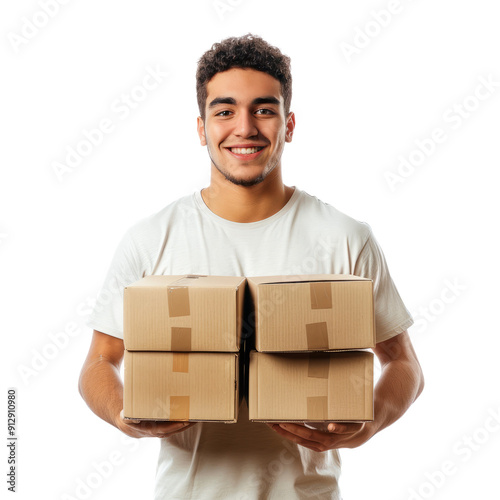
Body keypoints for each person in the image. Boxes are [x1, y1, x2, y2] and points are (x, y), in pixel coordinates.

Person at [78, 33, 424, 500]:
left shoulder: (344, 237)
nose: (245, 127)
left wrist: (365, 427)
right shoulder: (151, 239)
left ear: (290, 123)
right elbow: (99, 363)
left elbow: (404, 364)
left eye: (263, 109)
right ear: (201, 128)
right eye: (224, 111)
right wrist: (126, 416)